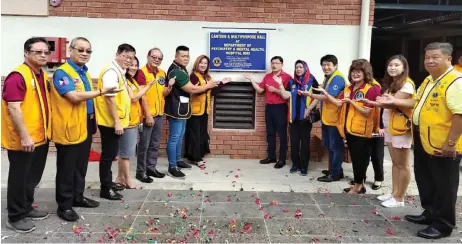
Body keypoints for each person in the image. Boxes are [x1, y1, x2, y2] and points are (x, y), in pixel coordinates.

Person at [378, 42, 462, 239]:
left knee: (445, 185)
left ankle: (443, 225)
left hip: (443, 145)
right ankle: (430, 212)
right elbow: (414, 102)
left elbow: (460, 114)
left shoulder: (455, 81)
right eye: (427, 57)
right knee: (427, 181)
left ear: (448, 59)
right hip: (424, 141)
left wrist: (451, 143)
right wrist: (393, 101)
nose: (430, 61)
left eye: (436, 57)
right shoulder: (429, 80)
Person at [51, 37, 121, 221]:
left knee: (81, 165)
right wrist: (101, 91)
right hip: (70, 127)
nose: (84, 54)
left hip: (86, 124)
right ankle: (64, 205)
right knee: (67, 167)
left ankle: (78, 197)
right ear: (70, 50)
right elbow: (73, 97)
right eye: (80, 50)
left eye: (88, 51)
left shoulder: (84, 72)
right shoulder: (62, 73)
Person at [2, 37, 51, 232]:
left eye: (46, 52)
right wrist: (24, 136)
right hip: (24, 139)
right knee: (19, 178)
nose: (43, 55)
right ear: (26, 53)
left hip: (40, 137)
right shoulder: (18, 76)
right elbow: (14, 108)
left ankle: (26, 206)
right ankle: (15, 216)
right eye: (37, 52)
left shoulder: (41, 75)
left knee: (32, 177)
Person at [315, 59, 380, 194]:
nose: (355, 74)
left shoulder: (372, 88)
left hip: (362, 131)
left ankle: (358, 186)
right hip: (349, 129)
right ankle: (358, 185)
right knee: (356, 160)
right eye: (353, 71)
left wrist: (351, 102)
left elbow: (368, 112)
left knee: (361, 160)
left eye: (359, 71)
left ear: (365, 72)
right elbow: (338, 103)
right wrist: (323, 94)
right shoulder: (349, 88)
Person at [361, 55, 414, 207]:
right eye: (390, 65)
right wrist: (372, 102)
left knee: (402, 164)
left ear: (404, 68)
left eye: (397, 65)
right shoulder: (393, 84)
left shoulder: (407, 84)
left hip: (401, 128)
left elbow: (390, 103)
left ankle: (399, 198)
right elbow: (386, 102)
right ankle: (394, 193)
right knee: (395, 163)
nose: (392, 68)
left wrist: (374, 101)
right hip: (391, 127)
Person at [164, 45, 218, 178]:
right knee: (174, 138)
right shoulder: (176, 71)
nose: (185, 58)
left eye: (187, 56)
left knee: (180, 137)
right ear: (176, 56)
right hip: (175, 110)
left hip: (182, 110)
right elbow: (192, 90)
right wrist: (208, 85)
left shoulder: (181, 70)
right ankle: (172, 166)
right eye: (182, 56)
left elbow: (192, 88)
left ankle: (178, 161)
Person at [94, 44, 135, 200]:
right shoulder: (111, 72)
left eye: (131, 58)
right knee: (108, 156)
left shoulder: (119, 71)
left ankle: (108, 184)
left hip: (114, 122)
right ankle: (105, 188)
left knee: (110, 155)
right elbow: (110, 99)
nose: (128, 60)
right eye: (125, 56)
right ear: (117, 54)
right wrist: (117, 122)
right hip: (110, 123)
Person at [114, 56, 157, 189]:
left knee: (126, 152)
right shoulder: (124, 80)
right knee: (126, 153)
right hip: (126, 121)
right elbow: (133, 98)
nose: (133, 67)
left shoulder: (132, 80)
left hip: (133, 121)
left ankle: (120, 178)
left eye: (135, 65)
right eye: (131, 65)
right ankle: (128, 180)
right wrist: (148, 86)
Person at [243, 56, 291, 168]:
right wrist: (251, 79)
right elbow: (260, 90)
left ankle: (282, 159)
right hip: (269, 108)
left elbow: (288, 95)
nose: (274, 65)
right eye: (272, 63)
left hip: (281, 107)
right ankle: (271, 156)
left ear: (281, 65)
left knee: (282, 134)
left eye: (277, 63)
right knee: (270, 133)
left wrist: (276, 90)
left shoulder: (287, 77)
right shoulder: (268, 77)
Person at [184, 55, 231, 167]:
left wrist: (222, 83)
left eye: (205, 63)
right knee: (194, 135)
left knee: (201, 134)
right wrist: (207, 86)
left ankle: (198, 155)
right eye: (201, 63)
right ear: (197, 63)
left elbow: (211, 92)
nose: (203, 65)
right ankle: (195, 158)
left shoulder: (207, 77)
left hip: (204, 111)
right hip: (194, 111)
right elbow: (195, 91)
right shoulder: (193, 76)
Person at [136, 48, 173, 183]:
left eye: (159, 58)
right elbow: (142, 95)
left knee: (155, 144)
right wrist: (148, 115)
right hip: (147, 115)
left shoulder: (162, 73)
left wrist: (169, 88)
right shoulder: (141, 72)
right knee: (144, 145)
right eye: (154, 57)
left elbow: (163, 93)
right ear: (148, 56)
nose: (156, 60)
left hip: (159, 114)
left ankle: (151, 168)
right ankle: (141, 172)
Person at [308, 55, 347, 182]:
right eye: (323, 65)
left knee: (336, 147)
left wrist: (310, 94)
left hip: (335, 119)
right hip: (327, 118)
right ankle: (335, 170)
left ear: (335, 65)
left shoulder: (337, 78)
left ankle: (335, 174)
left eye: (328, 64)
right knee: (329, 145)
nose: (326, 67)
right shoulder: (328, 78)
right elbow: (323, 94)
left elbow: (327, 97)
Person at [288, 60, 319, 175]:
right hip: (294, 119)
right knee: (294, 143)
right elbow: (287, 95)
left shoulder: (311, 80)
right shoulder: (291, 82)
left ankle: (304, 167)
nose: (298, 69)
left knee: (305, 144)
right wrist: (280, 86)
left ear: (305, 68)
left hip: (305, 119)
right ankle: (295, 164)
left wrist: (309, 108)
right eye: (297, 67)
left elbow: (319, 96)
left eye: (301, 67)